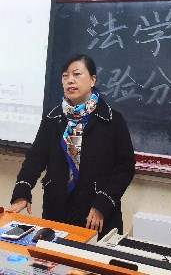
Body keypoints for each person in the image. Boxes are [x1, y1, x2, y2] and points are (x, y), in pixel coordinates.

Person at [8, 54, 135, 237]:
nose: (70, 80)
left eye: (76, 74)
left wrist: (103, 204)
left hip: (96, 214)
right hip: (57, 209)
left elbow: (125, 168)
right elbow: (36, 158)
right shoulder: (54, 118)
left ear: (92, 80)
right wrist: (23, 190)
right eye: (65, 76)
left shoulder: (112, 120)